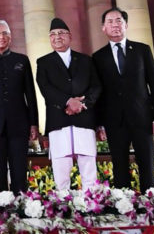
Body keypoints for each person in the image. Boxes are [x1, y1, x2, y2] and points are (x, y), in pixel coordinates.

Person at [92, 7, 154, 191]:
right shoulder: (98, 57)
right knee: (119, 165)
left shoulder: (142, 50)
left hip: (142, 117)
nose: (115, 25)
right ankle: (123, 202)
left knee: (147, 162)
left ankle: (150, 200)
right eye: (110, 21)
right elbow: (98, 92)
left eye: (119, 20)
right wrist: (99, 123)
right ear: (103, 28)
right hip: (114, 120)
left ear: (126, 25)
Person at [35, 18, 102, 191]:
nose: (57, 37)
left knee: (89, 172)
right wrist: (68, 101)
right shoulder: (43, 62)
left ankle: (92, 204)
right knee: (61, 175)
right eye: (53, 34)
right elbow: (45, 88)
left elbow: (96, 86)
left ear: (70, 36)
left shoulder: (86, 60)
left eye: (61, 33)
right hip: (59, 121)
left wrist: (83, 103)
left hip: (84, 120)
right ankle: (63, 206)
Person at [0, 19, 39, 194]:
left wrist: (34, 123)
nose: (1, 37)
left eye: (5, 33)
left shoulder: (22, 60)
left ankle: (22, 204)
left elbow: (30, 94)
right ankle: (1, 206)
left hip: (19, 125)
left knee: (20, 170)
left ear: (10, 37)